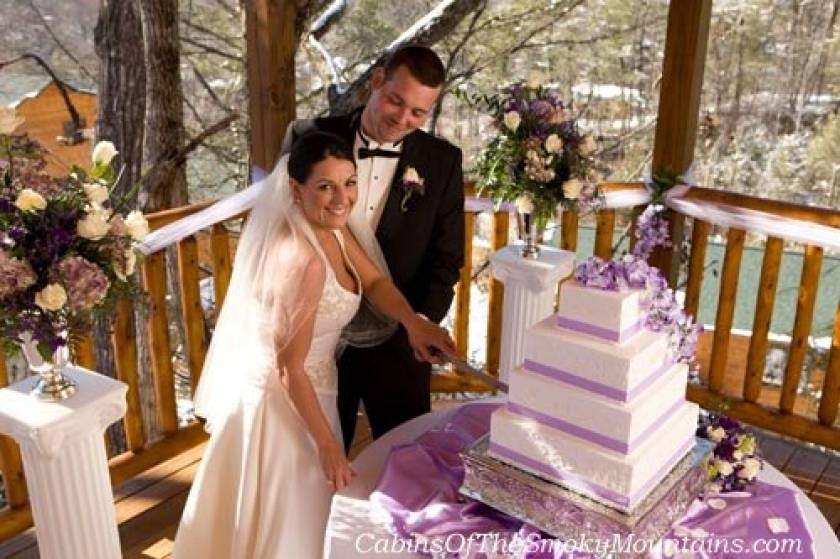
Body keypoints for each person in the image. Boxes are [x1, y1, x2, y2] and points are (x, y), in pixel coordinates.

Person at [173, 132, 455, 558]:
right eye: (325, 186)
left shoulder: (334, 231)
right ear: (295, 190)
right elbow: (289, 368)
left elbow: (376, 281)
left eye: (349, 182)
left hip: (315, 389)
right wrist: (327, 446)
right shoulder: (301, 259)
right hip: (284, 405)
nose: (342, 198)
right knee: (289, 525)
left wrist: (413, 323)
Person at [284, 45, 465, 451]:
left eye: (417, 112)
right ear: (377, 80)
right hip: (320, 341)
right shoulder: (308, 137)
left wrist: (417, 323)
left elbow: (447, 259)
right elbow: (281, 231)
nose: (402, 119)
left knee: (407, 462)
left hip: (401, 343)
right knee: (316, 460)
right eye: (395, 101)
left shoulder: (443, 161)